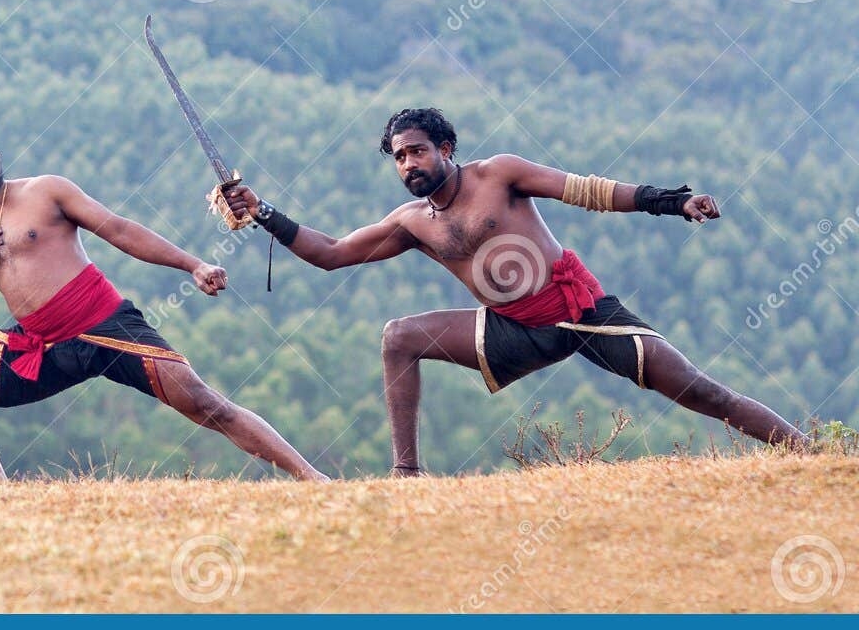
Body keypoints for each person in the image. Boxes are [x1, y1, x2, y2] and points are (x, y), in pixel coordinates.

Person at [222, 107, 807, 475]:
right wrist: (263, 211)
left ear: (445, 149)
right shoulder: (411, 222)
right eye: (399, 157)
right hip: (511, 330)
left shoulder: (498, 174)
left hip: (580, 310)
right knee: (398, 337)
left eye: (417, 150)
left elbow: (587, 190)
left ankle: (812, 454)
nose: (408, 163)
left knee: (702, 393)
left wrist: (671, 200)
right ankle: (407, 476)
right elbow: (329, 254)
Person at [0, 120, 327, 481]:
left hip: (106, 324)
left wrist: (192, 265)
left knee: (205, 403)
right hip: (40, 346)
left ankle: (311, 478)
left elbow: (120, 229)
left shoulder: (46, 192)